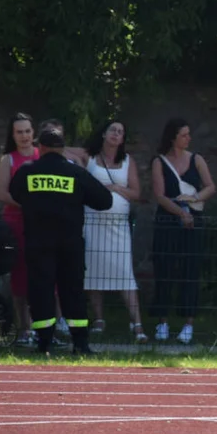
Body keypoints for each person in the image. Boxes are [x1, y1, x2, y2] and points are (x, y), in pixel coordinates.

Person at [9, 125, 113, 354]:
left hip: (38, 243)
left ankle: (44, 343)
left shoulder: (27, 171)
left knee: (41, 291)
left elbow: (15, 193)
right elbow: (105, 201)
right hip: (70, 244)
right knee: (73, 291)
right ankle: (80, 344)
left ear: (41, 147)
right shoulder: (75, 172)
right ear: (62, 149)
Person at [79, 120, 147, 343]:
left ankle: (137, 323)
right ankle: (99, 319)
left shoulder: (128, 161)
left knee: (124, 273)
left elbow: (136, 193)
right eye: (113, 130)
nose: (117, 135)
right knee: (93, 272)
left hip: (118, 226)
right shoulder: (89, 158)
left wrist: (116, 188)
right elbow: (63, 150)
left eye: (121, 132)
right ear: (104, 133)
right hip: (92, 223)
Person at [151, 118, 216, 343]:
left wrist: (194, 199)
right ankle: (162, 322)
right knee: (164, 268)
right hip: (168, 221)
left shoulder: (196, 159)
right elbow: (159, 195)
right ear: (173, 137)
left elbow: (210, 186)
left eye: (189, 134)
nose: (189, 138)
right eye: (184, 135)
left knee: (191, 270)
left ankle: (188, 323)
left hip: (194, 221)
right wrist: (181, 212)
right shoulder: (159, 162)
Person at [0, 113, 40, 346]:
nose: (24, 136)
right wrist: (27, 205)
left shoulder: (42, 156)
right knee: (20, 278)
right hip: (15, 225)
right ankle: (24, 328)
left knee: (42, 275)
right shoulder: (8, 160)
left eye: (27, 131)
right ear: (13, 135)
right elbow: (1, 193)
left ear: (34, 133)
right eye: (19, 132)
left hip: (41, 225)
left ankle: (44, 326)